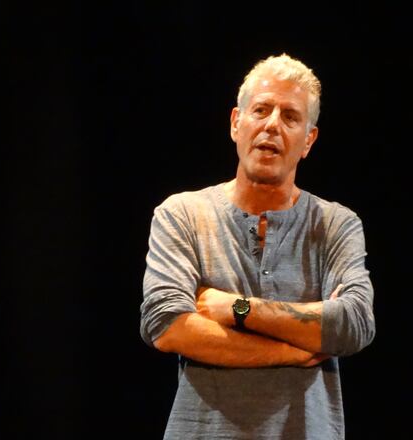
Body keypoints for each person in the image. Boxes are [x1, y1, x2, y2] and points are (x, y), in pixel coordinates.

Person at [140, 53, 375, 439]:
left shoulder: (336, 224)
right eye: (261, 110)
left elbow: (353, 324)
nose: (272, 125)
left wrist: (235, 308)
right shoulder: (182, 214)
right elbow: (167, 325)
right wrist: (295, 350)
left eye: (290, 116)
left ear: (308, 141)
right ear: (236, 123)